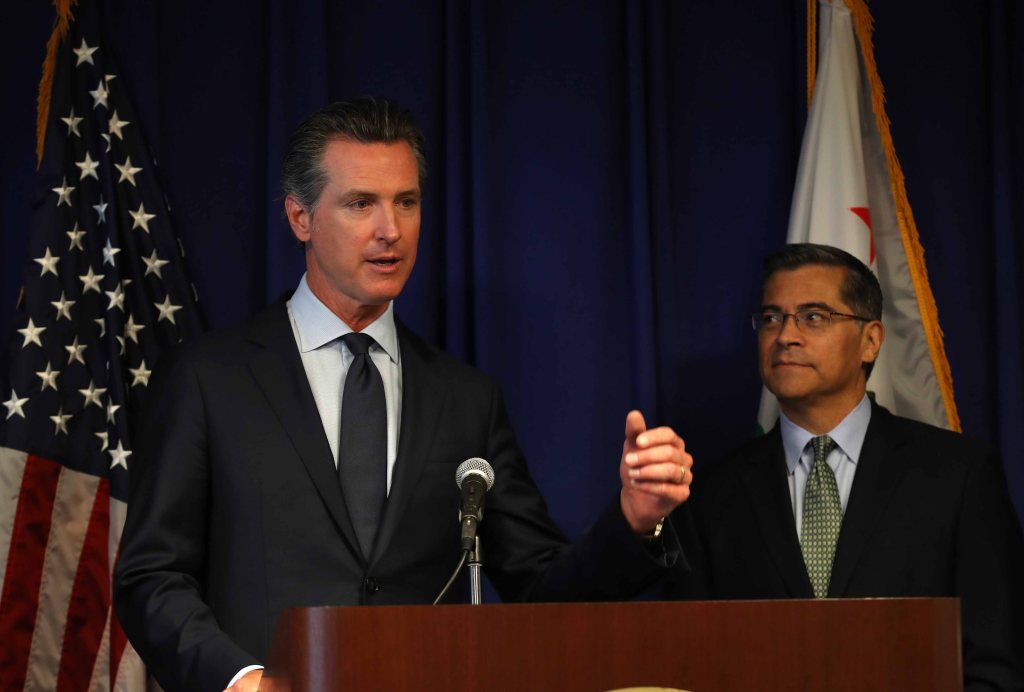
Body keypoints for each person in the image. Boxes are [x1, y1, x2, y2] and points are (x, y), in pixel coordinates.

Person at [113, 97, 693, 692]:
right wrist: (241, 681)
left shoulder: (466, 399)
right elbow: (151, 576)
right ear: (299, 218)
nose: (390, 230)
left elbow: (542, 591)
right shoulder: (209, 379)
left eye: (406, 202)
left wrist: (633, 519)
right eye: (360, 203)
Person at [669, 243, 1024, 690]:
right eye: (772, 318)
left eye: (814, 317)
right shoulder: (711, 494)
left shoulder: (960, 475)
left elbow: (993, 666)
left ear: (870, 340)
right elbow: (690, 663)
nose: (786, 336)